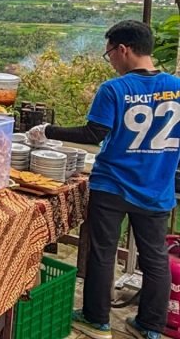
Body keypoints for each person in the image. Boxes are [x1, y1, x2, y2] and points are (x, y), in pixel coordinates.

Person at [28, 21, 180, 339]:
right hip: (157, 187)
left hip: (112, 183)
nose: (109, 59)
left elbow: (94, 133)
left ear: (123, 49)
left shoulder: (114, 89)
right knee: (155, 258)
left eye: (109, 52)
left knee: (102, 251)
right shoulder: (177, 88)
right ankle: (150, 326)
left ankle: (96, 320)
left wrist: (47, 131)